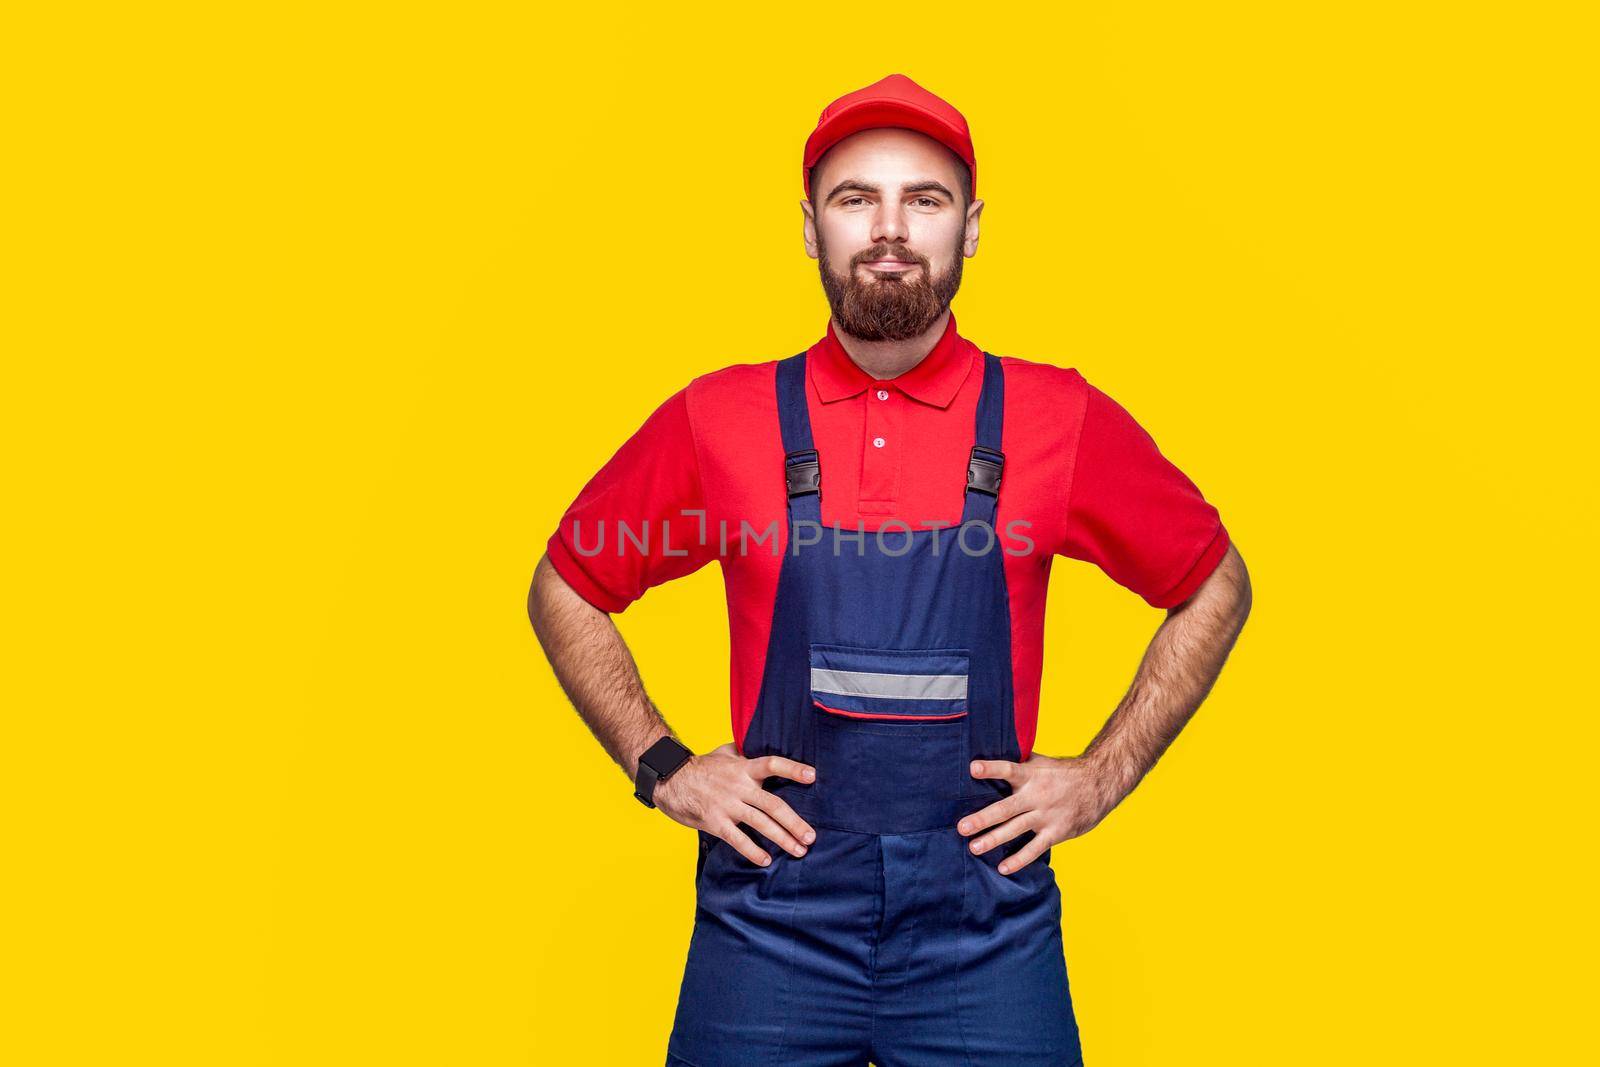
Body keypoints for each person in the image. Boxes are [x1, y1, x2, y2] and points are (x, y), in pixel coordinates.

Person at [527, 73, 1252, 1067]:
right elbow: (568, 581)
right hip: (770, 920)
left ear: (971, 226)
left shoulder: (1058, 418)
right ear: (810, 227)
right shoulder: (718, 419)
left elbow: (1213, 580)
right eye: (854, 197)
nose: (889, 228)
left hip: (981, 927)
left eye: (925, 198)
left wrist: (1102, 774)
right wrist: (662, 766)